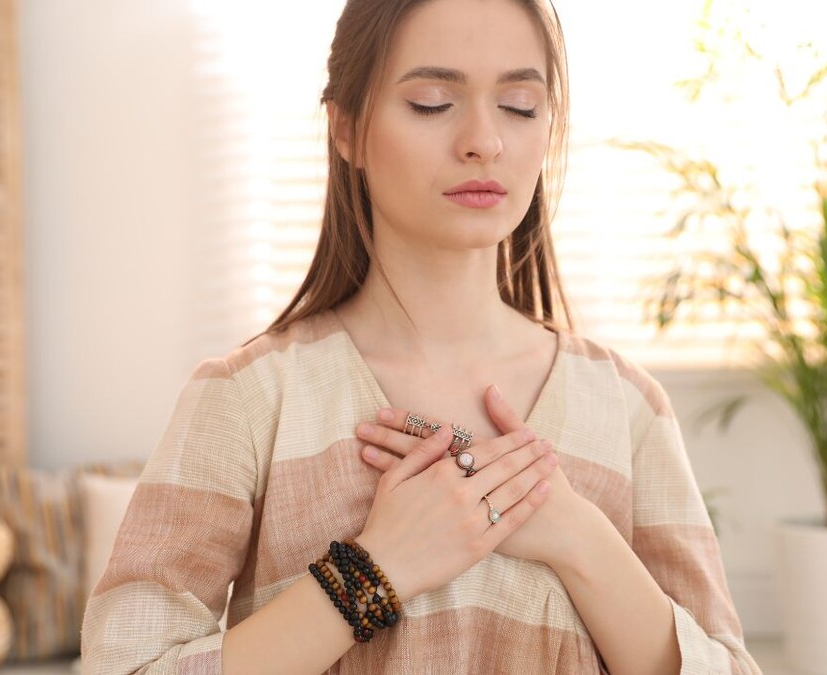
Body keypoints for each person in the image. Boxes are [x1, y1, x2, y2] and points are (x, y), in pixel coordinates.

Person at [81, 0, 763, 672]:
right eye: (432, 102)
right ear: (347, 128)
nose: (484, 141)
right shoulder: (248, 399)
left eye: (520, 106)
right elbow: (126, 663)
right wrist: (372, 570)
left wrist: (577, 535)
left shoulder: (626, 407)